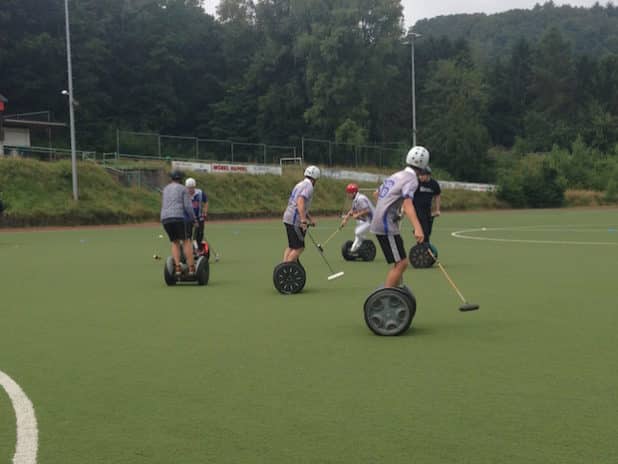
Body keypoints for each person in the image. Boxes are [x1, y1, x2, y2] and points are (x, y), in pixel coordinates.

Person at [370, 146, 429, 288]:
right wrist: (418, 228)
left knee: (399, 261)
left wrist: (393, 211)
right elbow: (408, 204)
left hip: (383, 221)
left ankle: (396, 290)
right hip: (385, 224)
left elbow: (376, 194)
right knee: (402, 263)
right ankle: (387, 297)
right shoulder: (412, 180)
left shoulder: (397, 175)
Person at [160, 170, 197, 276]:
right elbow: (188, 206)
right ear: (181, 179)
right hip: (178, 217)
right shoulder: (183, 189)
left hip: (165, 218)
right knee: (186, 240)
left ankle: (177, 268)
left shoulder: (165, 189)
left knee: (175, 242)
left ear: (171, 178)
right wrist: (194, 219)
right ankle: (191, 268)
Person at [282, 165, 320, 263]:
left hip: (288, 217)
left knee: (292, 246)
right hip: (294, 220)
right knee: (299, 247)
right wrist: (303, 220)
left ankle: (283, 267)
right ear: (315, 178)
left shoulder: (300, 184)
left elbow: (300, 205)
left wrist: (310, 219)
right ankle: (287, 269)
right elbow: (300, 201)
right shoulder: (309, 186)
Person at [340, 183, 375, 254]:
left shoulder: (360, 199)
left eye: (349, 193)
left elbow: (367, 210)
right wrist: (345, 220)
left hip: (372, 220)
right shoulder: (355, 199)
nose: (348, 195)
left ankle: (359, 245)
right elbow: (352, 210)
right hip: (366, 219)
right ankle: (355, 247)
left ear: (354, 193)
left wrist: (357, 215)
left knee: (358, 232)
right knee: (358, 232)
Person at [413, 166, 441, 243]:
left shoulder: (434, 184)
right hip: (417, 209)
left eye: (422, 175)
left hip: (427, 210)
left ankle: (422, 246)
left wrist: (437, 209)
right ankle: (423, 246)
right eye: (419, 175)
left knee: (428, 232)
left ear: (428, 175)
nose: (420, 177)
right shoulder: (416, 183)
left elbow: (437, 196)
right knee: (424, 231)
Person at [185, 177, 209, 253]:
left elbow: (206, 202)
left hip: (199, 217)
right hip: (188, 218)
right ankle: (188, 251)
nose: (190, 190)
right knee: (188, 235)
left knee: (200, 234)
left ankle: (199, 249)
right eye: (188, 188)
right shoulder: (184, 194)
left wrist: (205, 212)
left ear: (194, 187)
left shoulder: (200, 193)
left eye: (192, 188)